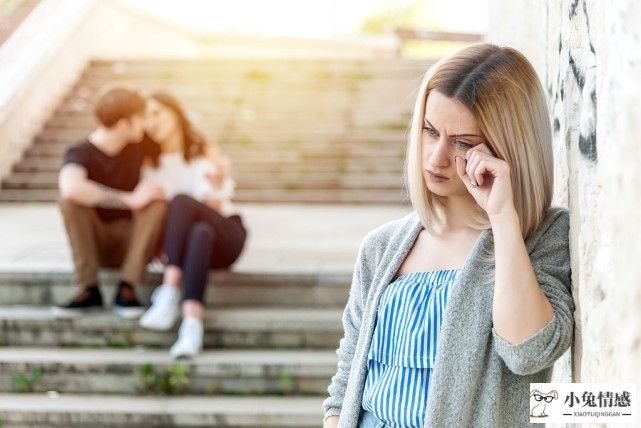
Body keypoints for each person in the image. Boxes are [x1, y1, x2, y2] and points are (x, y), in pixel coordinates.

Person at [322, 43, 574, 427]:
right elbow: (347, 378)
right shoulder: (382, 246)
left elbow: (529, 352)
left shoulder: (541, 236)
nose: (436, 157)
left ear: (508, 147)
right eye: (429, 130)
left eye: (462, 142)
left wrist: (502, 216)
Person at [138, 92, 247, 359]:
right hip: (194, 245)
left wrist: (218, 181)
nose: (151, 122)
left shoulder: (202, 151)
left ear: (175, 114)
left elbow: (216, 207)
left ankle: (169, 288)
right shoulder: (147, 163)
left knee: (183, 203)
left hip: (227, 235)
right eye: (146, 117)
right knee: (199, 232)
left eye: (157, 113)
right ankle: (191, 327)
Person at [56, 87, 166, 319]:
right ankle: (89, 288)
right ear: (124, 124)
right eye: (141, 118)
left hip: (132, 242)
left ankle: (127, 286)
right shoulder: (80, 152)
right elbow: (70, 187)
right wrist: (130, 200)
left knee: (157, 203)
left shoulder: (140, 145)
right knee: (70, 202)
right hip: (95, 242)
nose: (146, 123)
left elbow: (176, 139)